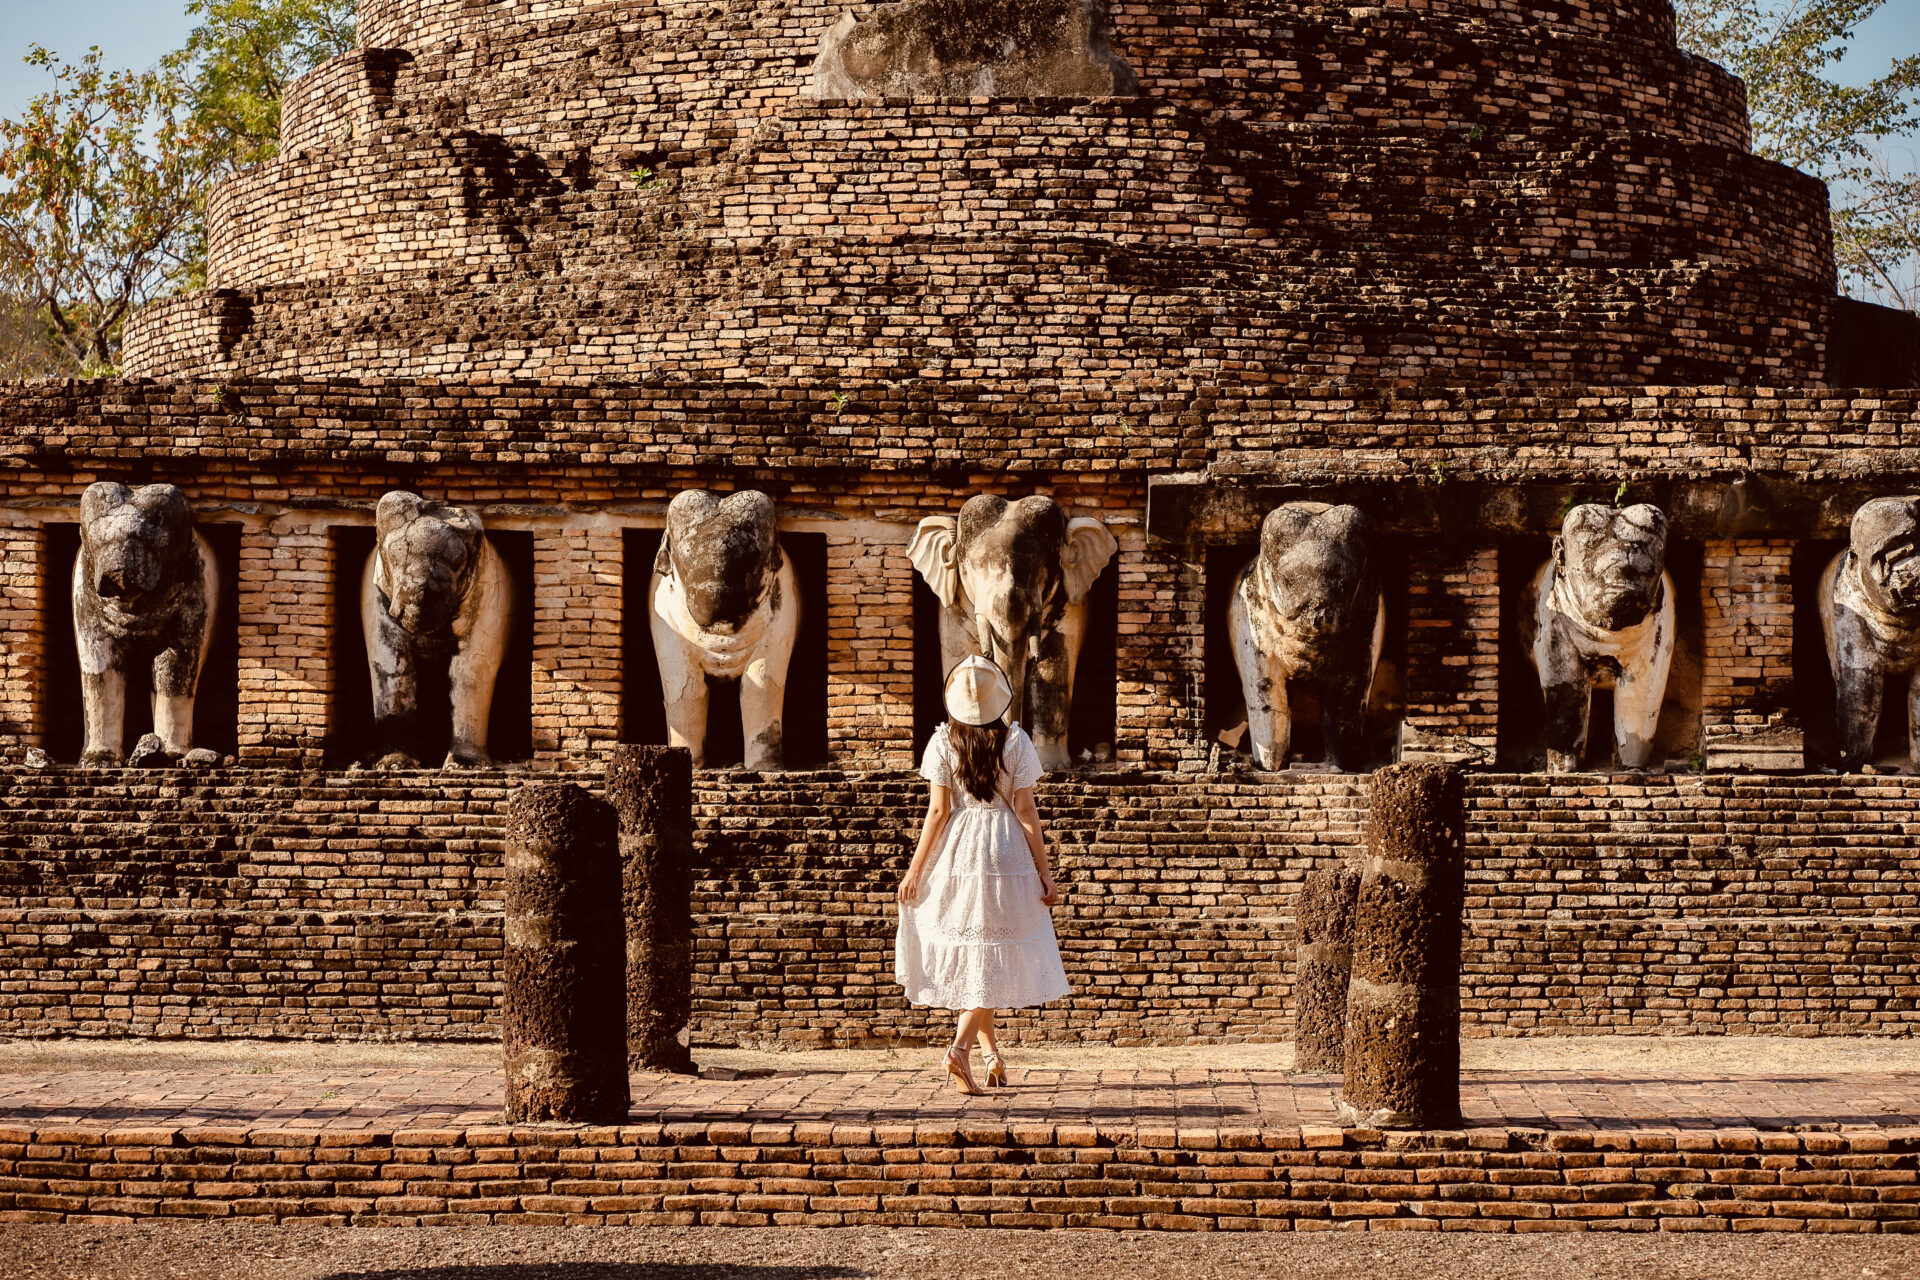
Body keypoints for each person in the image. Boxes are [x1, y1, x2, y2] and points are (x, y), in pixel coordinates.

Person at [896, 654, 1069, 1095]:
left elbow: (938, 811)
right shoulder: (1016, 741)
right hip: (1004, 850)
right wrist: (1044, 872)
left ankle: (991, 1056)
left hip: (958, 850)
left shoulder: (941, 742)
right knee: (988, 954)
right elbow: (1026, 810)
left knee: (980, 951)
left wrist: (916, 870)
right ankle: (959, 1050)